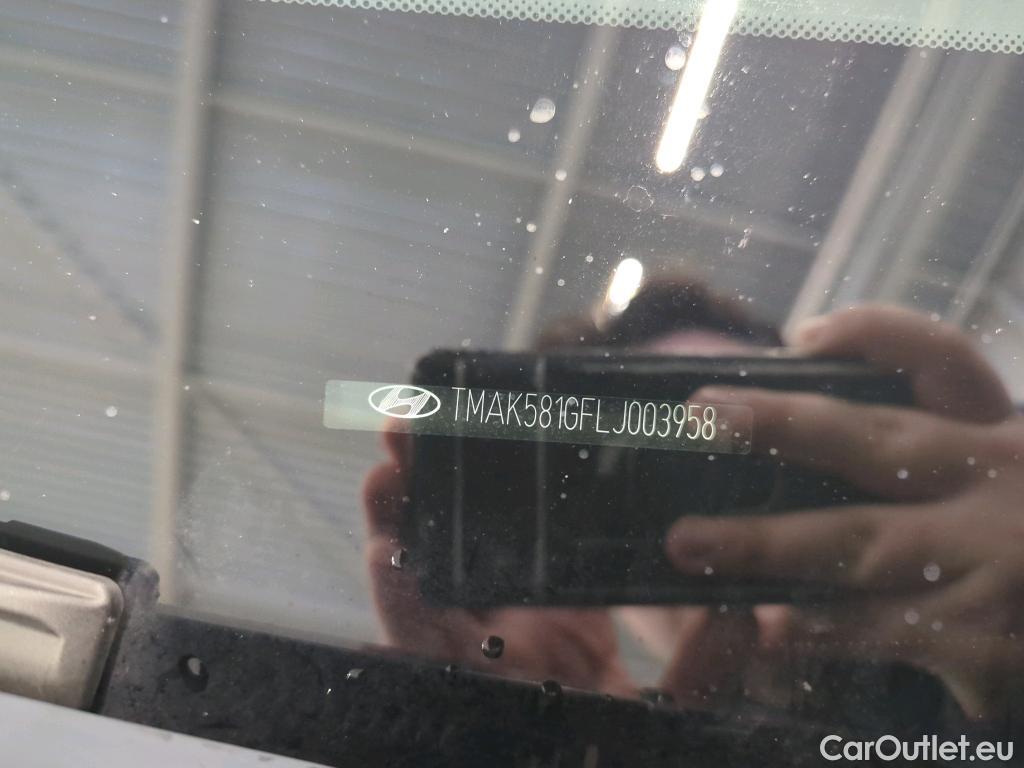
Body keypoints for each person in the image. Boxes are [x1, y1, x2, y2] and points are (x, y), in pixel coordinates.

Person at [362, 279, 1023, 732]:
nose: (720, 519)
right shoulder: (619, 731)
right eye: (651, 484)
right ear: (598, 590)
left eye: (751, 444)